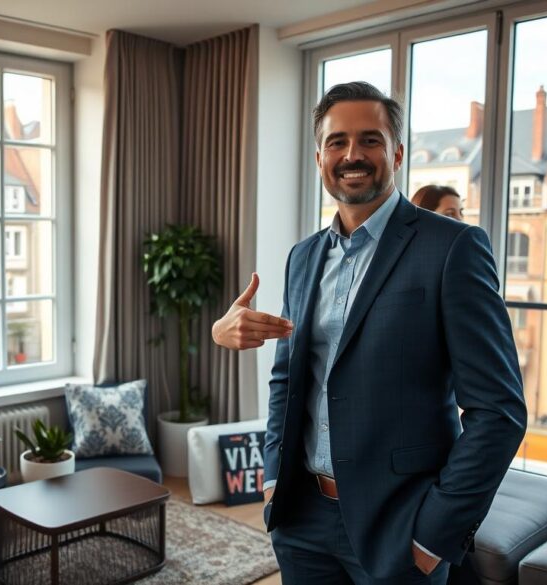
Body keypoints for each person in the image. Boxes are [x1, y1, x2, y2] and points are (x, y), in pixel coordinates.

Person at [211, 82, 526, 584]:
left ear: (396, 152)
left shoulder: (454, 247)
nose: (352, 154)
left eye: (370, 140)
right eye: (337, 142)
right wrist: (273, 480)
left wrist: (433, 537)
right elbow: (287, 383)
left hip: (400, 529)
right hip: (301, 521)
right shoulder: (302, 257)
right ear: (319, 158)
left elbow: (499, 412)